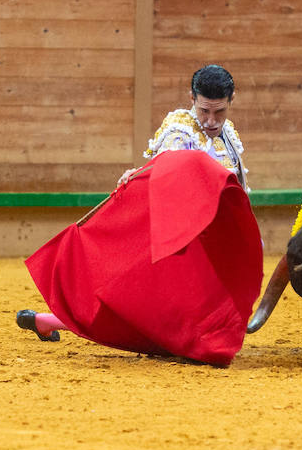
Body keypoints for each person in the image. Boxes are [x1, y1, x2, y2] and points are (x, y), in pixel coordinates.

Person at [21, 65, 247, 343]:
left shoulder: (230, 136)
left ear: (231, 101)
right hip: (176, 239)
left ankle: (47, 322)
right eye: (204, 111)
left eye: (219, 112)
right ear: (192, 99)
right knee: (139, 308)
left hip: (207, 239)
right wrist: (143, 174)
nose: (211, 120)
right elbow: (170, 169)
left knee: (149, 309)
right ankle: (49, 321)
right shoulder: (180, 128)